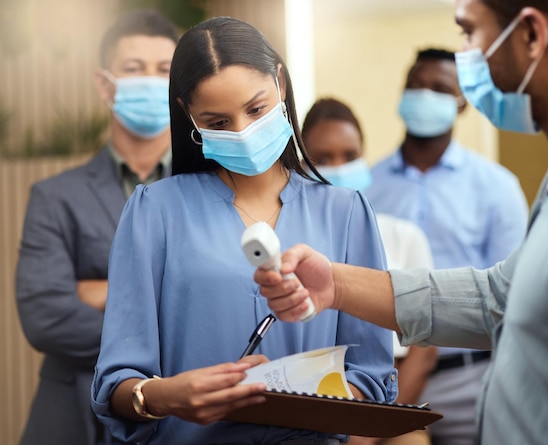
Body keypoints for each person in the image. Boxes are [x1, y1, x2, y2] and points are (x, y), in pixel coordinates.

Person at [254, 0, 548, 444]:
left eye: (469, 33)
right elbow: (497, 297)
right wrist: (335, 284)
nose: (466, 55)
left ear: (531, 35)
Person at [90, 16, 397, 445]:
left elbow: (374, 375)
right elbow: (117, 385)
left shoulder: (346, 212)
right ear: (188, 115)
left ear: (281, 84)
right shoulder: (153, 211)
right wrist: (166, 396)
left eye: (256, 109)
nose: (243, 132)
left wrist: (315, 403)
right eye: (217, 122)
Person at [14, 9, 178, 445]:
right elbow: (45, 318)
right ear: (105, 83)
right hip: (73, 418)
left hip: (185, 425)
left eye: (164, 70)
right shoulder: (54, 196)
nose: (150, 80)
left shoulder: (210, 190)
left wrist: (108, 292)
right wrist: (174, 317)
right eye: (133, 69)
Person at [364, 47, 529, 445]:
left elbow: (515, 298)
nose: (424, 95)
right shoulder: (366, 187)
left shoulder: (497, 187)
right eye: (415, 86)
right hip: (387, 378)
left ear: (462, 104)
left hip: (470, 377)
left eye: (439, 88)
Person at [302, 97, 437, 445]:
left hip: (390, 409)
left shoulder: (403, 235)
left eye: (349, 156)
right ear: (301, 164)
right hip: (308, 407)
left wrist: (377, 426)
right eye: (322, 159)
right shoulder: (291, 244)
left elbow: (424, 348)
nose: (338, 167)